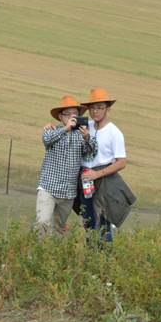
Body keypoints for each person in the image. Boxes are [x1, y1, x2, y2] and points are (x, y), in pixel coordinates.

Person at [77, 88, 135, 243]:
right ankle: (92, 258)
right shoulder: (85, 126)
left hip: (103, 181)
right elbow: (66, 126)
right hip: (84, 178)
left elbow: (121, 162)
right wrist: (50, 127)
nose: (95, 111)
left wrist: (97, 174)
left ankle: (105, 259)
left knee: (103, 222)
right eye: (92, 108)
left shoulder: (114, 132)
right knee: (88, 221)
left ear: (107, 108)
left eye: (100, 107)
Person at [36, 95, 97, 238]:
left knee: (59, 228)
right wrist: (65, 129)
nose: (72, 117)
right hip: (48, 187)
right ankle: (37, 256)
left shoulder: (81, 135)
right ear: (60, 116)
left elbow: (90, 153)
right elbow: (46, 140)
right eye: (67, 114)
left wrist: (88, 137)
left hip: (68, 192)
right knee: (43, 222)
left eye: (75, 114)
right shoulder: (51, 130)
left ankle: (55, 257)